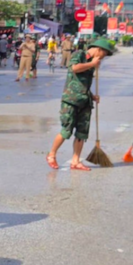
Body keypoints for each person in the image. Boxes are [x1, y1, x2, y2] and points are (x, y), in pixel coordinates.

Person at [46, 38, 114, 171]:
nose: (102, 58)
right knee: (67, 130)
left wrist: (92, 95)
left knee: (82, 133)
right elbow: (74, 68)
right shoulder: (79, 54)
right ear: (98, 50)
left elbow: (83, 83)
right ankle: (51, 154)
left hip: (85, 100)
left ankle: (75, 161)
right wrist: (92, 64)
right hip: (71, 100)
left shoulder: (92, 62)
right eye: (103, 54)